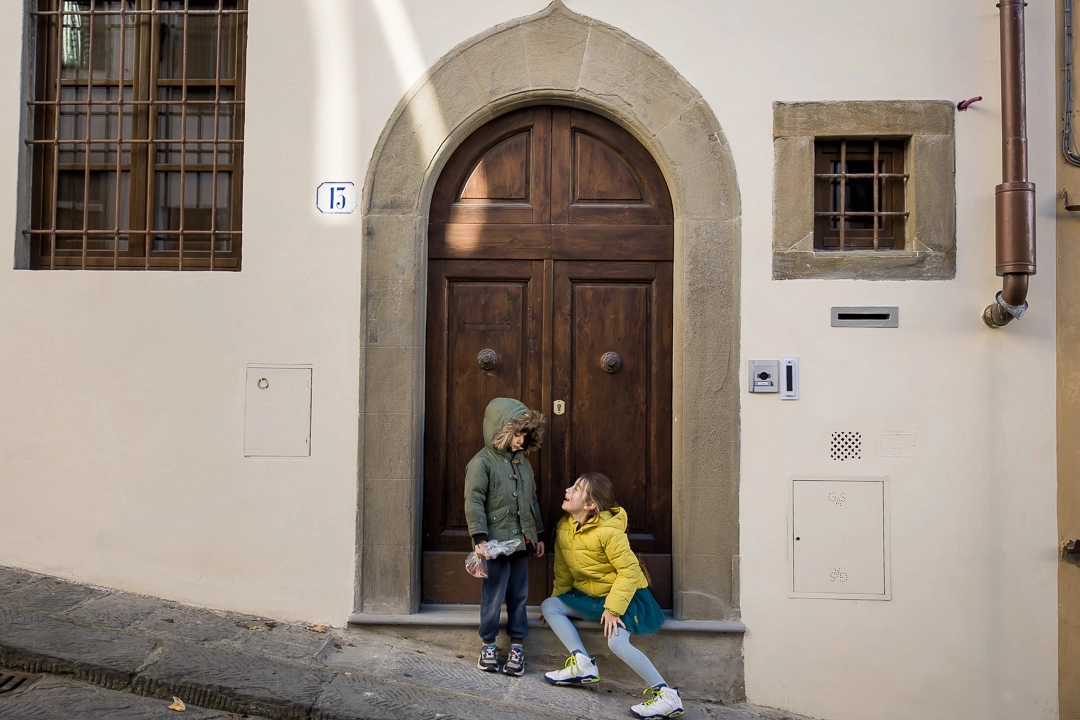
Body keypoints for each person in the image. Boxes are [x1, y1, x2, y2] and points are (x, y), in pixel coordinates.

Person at [540, 473, 683, 719]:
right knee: (550, 606)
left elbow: (629, 571)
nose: (567, 490)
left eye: (576, 488)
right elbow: (562, 572)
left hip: (626, 598)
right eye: (571, 485)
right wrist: (562, 598)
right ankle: (582, 662)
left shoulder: (608, 531)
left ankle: (667, 695)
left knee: (616, 643)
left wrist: (613, 609)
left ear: (590, 505)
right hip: (593, 596)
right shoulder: (565, 528)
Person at [464, 397, 546, 676]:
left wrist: (538, 535)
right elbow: (473, 501)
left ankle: (517, 646)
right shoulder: (482, 463)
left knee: (519, 596)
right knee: (494, 596)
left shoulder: (523, 463)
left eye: (525, 435)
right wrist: (480, 538)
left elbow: (531, 499)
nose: (521, 440)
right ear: (499, 430)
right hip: (494, 546)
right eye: (517, 434)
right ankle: (488, 644)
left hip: (522, 542)